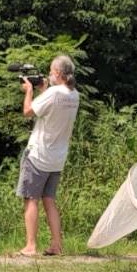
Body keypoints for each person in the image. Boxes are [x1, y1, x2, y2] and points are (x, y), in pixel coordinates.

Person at [17, 55, 79, 257]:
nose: (50, 74)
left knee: (31, 199)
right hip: (57, 158)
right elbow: (53, 106)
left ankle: (31, 245)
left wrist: (29, 91)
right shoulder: (73, 95)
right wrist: (45, 89)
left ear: (59, 74)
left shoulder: (53, 93)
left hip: (39, 155)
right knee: (49, 200)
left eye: (52, 71)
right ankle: (56, 244)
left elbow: (28, 111)